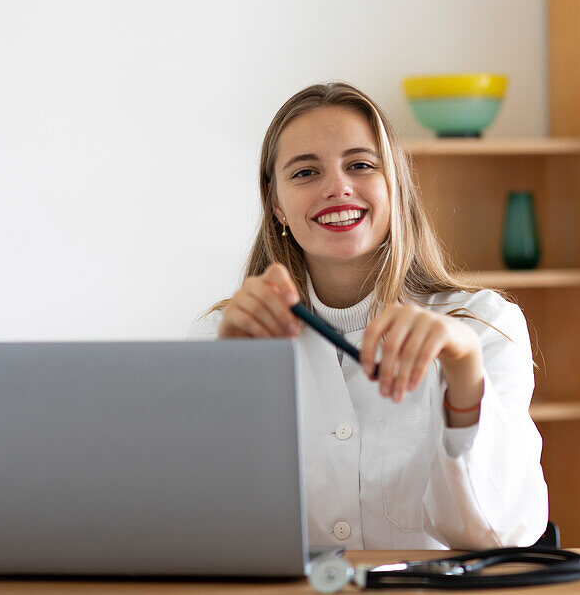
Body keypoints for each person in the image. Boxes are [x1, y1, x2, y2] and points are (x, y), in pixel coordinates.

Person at [189, 82, 548, 550]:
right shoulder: (226, 335)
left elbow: (499, 532)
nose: (337, 187)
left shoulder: (483, 326)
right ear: (276, 203)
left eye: (360, 165)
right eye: (304, 173)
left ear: (394, 185)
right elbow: (204, 529)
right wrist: (229, 377)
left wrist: (462, 370)